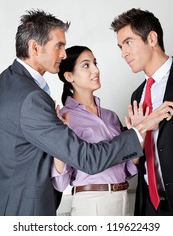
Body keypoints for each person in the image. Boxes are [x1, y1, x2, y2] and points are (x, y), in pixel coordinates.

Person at [0, 9, 172, 216]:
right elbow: (85, 160)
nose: (63, 53)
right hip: (61, 207)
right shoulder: (34, 99)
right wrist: (139, 130)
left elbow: (129, 166)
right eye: (59, 46)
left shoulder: (10, 84)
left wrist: (136, 140)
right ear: (35, 48)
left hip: (127, 200)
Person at [51, 45, 140, 216]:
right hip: (92, 203)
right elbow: (60, 184)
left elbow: (128, 170)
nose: (96, 70)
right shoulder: (64, 118)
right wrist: (59, 138)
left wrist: (136, 136)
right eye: (86, 65)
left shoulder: (111, 117)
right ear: (69, 76)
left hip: (123, 198)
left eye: (95, 63)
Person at [111, 7, 173, 216]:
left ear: (152, 38)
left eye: (128, 42)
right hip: (150, 206)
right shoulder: (136, 97)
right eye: (120, 46)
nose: (123, 53)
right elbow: (138, 158)